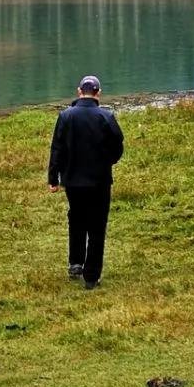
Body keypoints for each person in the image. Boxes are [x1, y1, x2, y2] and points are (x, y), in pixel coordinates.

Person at [47, 74, 124, 289]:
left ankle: (75, 263)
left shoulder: (65, 116)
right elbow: (118, 146)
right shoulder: (106, 117)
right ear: (98, 93)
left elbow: (57, 149)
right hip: (99, 181)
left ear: (79, 91)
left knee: (76, 219)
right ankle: (92, 277)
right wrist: (108, 162)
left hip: (72, 181)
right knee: (97, 226)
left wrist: (54, 178)